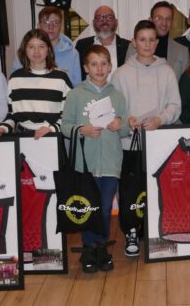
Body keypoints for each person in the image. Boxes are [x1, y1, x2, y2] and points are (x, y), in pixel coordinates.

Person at [112, 20, 181, 257]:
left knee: (158, 188)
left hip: (159, 142)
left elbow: (175, 105)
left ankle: (156, 230)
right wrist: (127, 120)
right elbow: (114, 108)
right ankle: (131, 230)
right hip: (129, 143)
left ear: (157, 42)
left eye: (152, 39)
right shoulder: (121, 73)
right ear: (134, 42)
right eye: (142, 39)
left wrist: (160, 119)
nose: (147, 44)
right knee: (131, 190)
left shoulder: (167, 71)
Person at [62, 45, 129, 273]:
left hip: (110, 162)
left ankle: (102, 248)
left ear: (110, 67)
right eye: (94, 64)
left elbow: (125, 130)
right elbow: (65, 126)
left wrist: (121, 124)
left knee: (103, 208)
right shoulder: (75, 94)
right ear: (85, 68)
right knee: (88, 208)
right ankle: (89, 249)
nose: (99, 68)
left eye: (103, 63)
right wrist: (83, 130)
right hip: (85, 163)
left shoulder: (117, 96)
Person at [0, 29, 72, 139]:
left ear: (48, 49)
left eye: (41, 46)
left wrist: (51, 129)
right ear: (25, 50)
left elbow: (69, 114)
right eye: (31, 47)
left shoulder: (61, 78)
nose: (36, 51)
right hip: (22, 137)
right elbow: (12, 115)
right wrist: (2, 128)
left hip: (51, 136)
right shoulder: (15, 78)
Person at [12, 6, 81, 86]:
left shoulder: (72, 54)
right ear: (39, 26)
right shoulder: (26, 52)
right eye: (46, 22)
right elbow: (15, 82)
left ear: (61, 26)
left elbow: (77, 87)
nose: (51, 27)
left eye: (55, 23)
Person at [126, 1, 189, 81]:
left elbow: (184, 85)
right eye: (159, 18)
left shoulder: (182, 51)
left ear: (172, 22)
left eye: (168, 19)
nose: (164, 23)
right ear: (150, 20)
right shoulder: (134, 47)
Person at [75, 5, 130, 82]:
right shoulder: (82, 45)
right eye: (99, 18)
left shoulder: (128, 46)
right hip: (90, 93)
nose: (104, 21)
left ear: (116, 22)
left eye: (109, 17)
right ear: (93, 23)